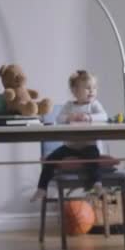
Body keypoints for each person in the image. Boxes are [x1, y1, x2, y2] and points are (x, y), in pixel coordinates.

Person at [30, 70, 108, 202]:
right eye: (88, 88)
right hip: (69, 146)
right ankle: (41, 188)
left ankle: (97, 184)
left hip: (88, 145)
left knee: (94, 160)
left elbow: (104, 117)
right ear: (75, 91)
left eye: (94, 88)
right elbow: (59, 119)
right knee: (50, 160)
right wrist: (68, 118)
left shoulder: (94, 105)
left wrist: (89, 117)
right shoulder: (69, 106)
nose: (92, 91)